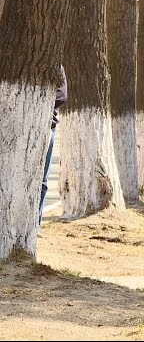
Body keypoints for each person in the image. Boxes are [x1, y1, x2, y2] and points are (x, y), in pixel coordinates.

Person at [39, 64, 68, 229]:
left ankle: (36, 223)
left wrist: (39, 103)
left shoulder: (56, 65)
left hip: (48, 127)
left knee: (42, 180)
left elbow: (62, 95)